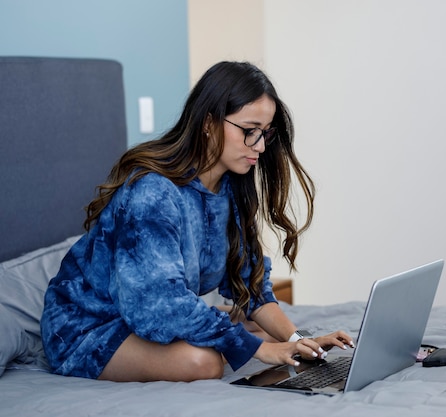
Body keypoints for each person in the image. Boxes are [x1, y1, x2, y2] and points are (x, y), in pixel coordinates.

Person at [40, 61, 353, 382]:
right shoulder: (151, 193)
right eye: (249, 131)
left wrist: (297, 340)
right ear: (208, 122)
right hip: (88, 326)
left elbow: (251, 285)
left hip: (145, 312)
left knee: (257, 325)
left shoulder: (231, 187)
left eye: (264, 133)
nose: (259, 146)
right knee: (204, 362)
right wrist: (258, 350)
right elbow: (158, 302)